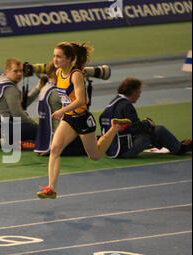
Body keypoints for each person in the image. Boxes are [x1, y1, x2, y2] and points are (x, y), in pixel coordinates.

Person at [37, 42, 131, 199]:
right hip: (69, 119)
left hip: (82, 119)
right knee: (54, 149)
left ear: (69, 59)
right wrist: (65, 111)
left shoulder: (76, 75)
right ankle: (51, 188)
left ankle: (115, 127)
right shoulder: (59, 72)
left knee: (95, 156)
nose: (55, 59)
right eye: (54, 56)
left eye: (59, 56)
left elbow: (81, 101)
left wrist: (62, 110)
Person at [99, 77, 192, 158]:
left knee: (151, 131)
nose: (139, 95)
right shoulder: (126, 105)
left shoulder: (112, 104)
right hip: (123, 151)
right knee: (159, 130)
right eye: (139, 91)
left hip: (109, 150)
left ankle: (174, 144)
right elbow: (136, 128)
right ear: (133, 91)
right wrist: (147, 123)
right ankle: (180, 148)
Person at [0, 58, 46, 144]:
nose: (19, 74)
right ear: (7, 71)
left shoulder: (0, 80)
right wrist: (33, 124)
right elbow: (17, 113)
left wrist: (38, 88)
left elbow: (23, 104)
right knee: (41, 131)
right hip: (6, 129)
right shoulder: (10, 88)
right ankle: (5, 139)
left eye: (21, 71)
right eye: (15, 71)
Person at [34, 61, 86, 156]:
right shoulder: (57, 92)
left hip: (46, 139)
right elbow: (80, 105)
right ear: (55, 73)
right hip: (60, 140)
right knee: (93, 142)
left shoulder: (45, 88)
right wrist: (80, 83)